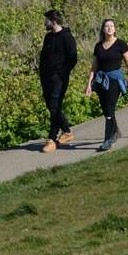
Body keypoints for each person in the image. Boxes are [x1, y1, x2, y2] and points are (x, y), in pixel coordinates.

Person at [84, 19, 128, 151]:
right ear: (103, 29)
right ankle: (115, 132)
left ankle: (107, 140)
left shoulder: (121, 44)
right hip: (101, 81)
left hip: (115, 80)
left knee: (109, 110)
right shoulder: (98, 46)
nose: (109, 28)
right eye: (106, 26)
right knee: (106, 111)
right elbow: (94, 67)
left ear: (115, 29)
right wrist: (89, 85)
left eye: (111, 26)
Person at [38, 9, 78, 152]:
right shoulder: (48, 37)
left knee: (54, 106)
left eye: (46, 20)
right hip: (46, 78)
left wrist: (61, 73)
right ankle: (67, 132)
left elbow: (73, 58)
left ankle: (52, 139)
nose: (45, 23)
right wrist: (42, 75)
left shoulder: (67, 37)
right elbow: (43, 58)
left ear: (53, 21)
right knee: (52, 107)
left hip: (59, 79)